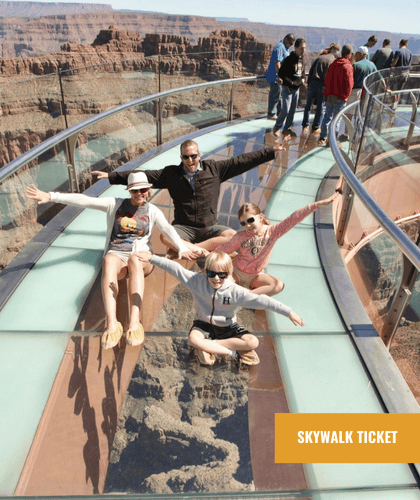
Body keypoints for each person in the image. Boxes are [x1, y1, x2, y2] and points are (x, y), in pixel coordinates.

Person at [26, 172, 196, 349]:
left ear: (148, 190)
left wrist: (182, 248)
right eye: (135, 190)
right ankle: (112, 324)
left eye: (143, 190)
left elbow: (167, 228)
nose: (139, 194)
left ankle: (134, 322)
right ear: (129, 191)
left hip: (141, 257)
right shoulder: (115, 205)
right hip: (118, 256)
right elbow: (86, 200)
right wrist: (52, 196)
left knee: (136, 260)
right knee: (108, 260)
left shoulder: (152, 211)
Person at [93, 140, 285, 255]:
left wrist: (270, 151)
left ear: (199, 155)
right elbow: (143, 176)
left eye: (193, 156)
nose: (190, 160)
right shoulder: (171, 174)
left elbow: (242, 161)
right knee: (165, 236)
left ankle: (195, 248)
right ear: (181, 158)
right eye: (186, 157)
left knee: (233, 236)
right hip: (184, 227)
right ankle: (196, 248)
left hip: (210, 226)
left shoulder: (215, 169)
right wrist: (111, 176)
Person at [135, 250, 305, 366]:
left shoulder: (236, 292)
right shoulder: (196, 281)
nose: (216, 278)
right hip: (203, 324)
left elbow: (263, 300)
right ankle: (232, 352)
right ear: (206, 271)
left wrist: (289, 312)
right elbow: (175, 268)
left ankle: (209, 346)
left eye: (222, 275)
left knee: (253, 341)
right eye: (211, 273)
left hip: (228, 327)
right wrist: (151, 258)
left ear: (229, 274)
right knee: (193, 339)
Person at [215, 193, 338, 296]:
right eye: (243, 223)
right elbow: (224, 249)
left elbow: (293, 218)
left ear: (261, 217)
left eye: (250, 220)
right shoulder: (241, 236)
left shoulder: (272, 232)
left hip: (255, 276)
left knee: (278, 285)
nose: (247, 225)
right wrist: (207, 254)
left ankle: (247, 296)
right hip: (236, 272)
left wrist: (317, 205)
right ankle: (245, 295)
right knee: (223, 284)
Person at [318, 44, 354, 147]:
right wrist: (345, 96)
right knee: (336, 120)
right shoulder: (347, 66)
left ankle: (323, 137)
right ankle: (332, 141)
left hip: (329, 96)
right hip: (340, 97)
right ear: (349, 54)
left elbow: (327, 79)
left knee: (327, 117)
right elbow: (349, 84)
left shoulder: (334, 64)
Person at [301, 43, 340, 134]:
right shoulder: (333, 61)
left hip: (313, 83)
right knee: (320, 107)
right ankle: (316, 126)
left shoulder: (319, 58)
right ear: (336, 51)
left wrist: (309, 84)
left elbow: (311, 72)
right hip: (323, 85)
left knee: (308, 105)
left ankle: (305, 125)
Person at [273, 38, 306, 138]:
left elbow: (302, 71)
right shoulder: (289, 59)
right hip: (288, 88)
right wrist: (289, 84)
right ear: (295, 48)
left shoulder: (302, 59)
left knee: (292, 110)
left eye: (304, 48)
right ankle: (277, 127)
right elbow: (281, 73)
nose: (303, 51)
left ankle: (286, 129)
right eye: (301, 48)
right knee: (285, 110)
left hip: (296, 89)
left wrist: (303, 79)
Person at [265, 33, 295, 119]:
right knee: (275, 94)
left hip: (281, 77)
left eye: (292, 44)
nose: (290, 45)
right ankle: (271, 114)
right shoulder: (279, 47)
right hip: (276, 77)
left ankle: (279, 113)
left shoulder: (286, 48)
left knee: (280, 95)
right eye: (290, 43)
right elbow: (277, 63)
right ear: (285, 39)